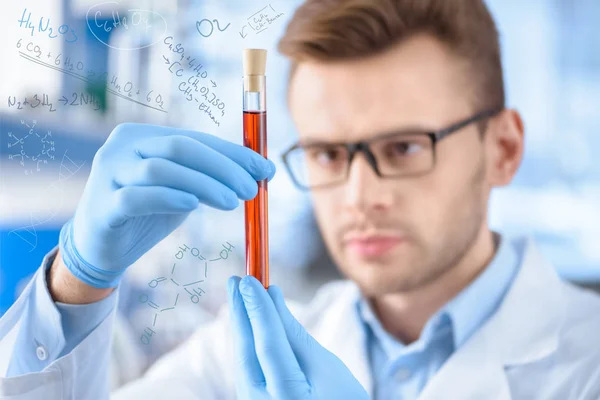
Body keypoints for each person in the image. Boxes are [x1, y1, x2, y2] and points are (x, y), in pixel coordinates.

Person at [1, 0, 600, 398]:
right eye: (328, 154)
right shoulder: (238, 358)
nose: (361, 196)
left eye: (406, 148)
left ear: (504, 148)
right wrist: (78, 284)